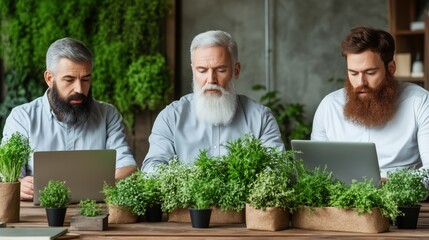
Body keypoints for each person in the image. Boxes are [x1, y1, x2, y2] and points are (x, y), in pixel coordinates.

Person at [2, 37, 137, 200]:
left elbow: (128, 167)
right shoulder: (22, 118)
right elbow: (7, 175)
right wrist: (19, 185)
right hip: (38, 215)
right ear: (49, 79)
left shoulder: (108, 114)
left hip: (98, 212)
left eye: (86, 79)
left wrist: (101, 189)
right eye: (69, 80)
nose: (79, 89)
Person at [142, 30, 284, 172]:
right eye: (202, 70)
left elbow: (278, 170)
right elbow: (151, 168)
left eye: (221, 70)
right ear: (193, 71)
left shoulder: (261, 118)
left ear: (236, 71)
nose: (211, 79)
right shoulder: (170, 118)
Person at [311, 26, 429, 178]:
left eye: (370, 72)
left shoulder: (420, 102)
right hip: (339, 200)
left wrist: (390, 185)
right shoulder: (329, 106)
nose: (361, 82)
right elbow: (315, 169)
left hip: (402, 199)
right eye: (353, 73)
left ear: (391, 68)